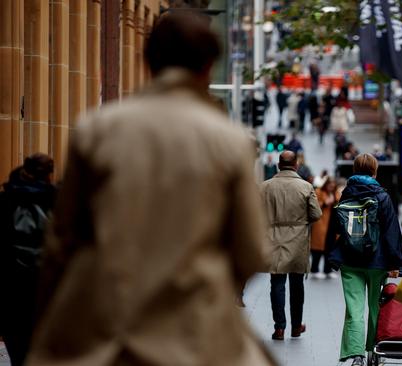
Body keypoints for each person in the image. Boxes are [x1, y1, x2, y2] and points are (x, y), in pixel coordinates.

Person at [26, 13, 275, 366]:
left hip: (102, 331)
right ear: (207, 65)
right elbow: (250, 251)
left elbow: (61, 242)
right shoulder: (229, 142)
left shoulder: (97, 129)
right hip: (194, 336)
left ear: (148, 61)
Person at [327, 154, 402, 366]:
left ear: (354, 170)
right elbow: (391, 231)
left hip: (350, 260)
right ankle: (374, 352)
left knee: (354, 309)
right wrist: (396, 264)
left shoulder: (345, 194)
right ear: (375, 170)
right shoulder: (381, 196)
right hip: (377, 261)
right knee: (376, 307)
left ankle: (357, 356)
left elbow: (336, 227)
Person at [0, 154, 56, 366]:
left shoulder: (5, 200)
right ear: (48, 175)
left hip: (11, 290)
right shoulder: (57, 202)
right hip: (43, 290)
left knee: (18, 351)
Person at [261, 151, 322, 341]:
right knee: (297, 286)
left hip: (273, 238)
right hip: (298, 240)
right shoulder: (305, 187)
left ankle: (279, 327)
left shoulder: (265, 187)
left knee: (277, 284)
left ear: (279, 165)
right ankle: (296, 326)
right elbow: (316, 214)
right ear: (296, 165)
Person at [310, 178, 339, 279]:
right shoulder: (319, 192)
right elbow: (315, 206)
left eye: (333, 186)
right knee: (317, 248)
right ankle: (314, 269)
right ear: (326, 185)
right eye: (330, 185)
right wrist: (326, 202)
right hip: (321, 224)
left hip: (331, 225)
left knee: (329, 248)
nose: (331, 187)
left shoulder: (335, 193)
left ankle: (327, 270)